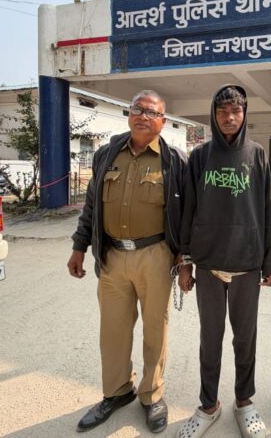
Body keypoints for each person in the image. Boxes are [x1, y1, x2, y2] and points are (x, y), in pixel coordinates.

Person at [67, 90, 187, 434]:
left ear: (163, 121)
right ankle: (117, 391)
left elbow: (186, 213)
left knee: (155, 329)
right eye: (138, 109)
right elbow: (92, 205)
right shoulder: (106, 154)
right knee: (113, 331)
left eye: (152, 112)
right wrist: (79, 245)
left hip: (156, 255)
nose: (143, 116)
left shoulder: (175, 160)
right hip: (112, 256)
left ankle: (152, 394)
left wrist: (185, 259)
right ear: (129, 113)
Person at [176, 84, 271, 438]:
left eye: (235, 111)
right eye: (222, 112)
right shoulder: (200, 157)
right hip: (208, 264)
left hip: (247, 263)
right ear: (214, 116)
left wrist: (269, 262)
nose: (229, 118)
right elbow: (188, 210)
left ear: (244, 113)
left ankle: (244, 402)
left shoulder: (258, 154)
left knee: (244, 339)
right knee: (210, 338)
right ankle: (208, 405)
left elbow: (266, 210)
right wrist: (185, 261)